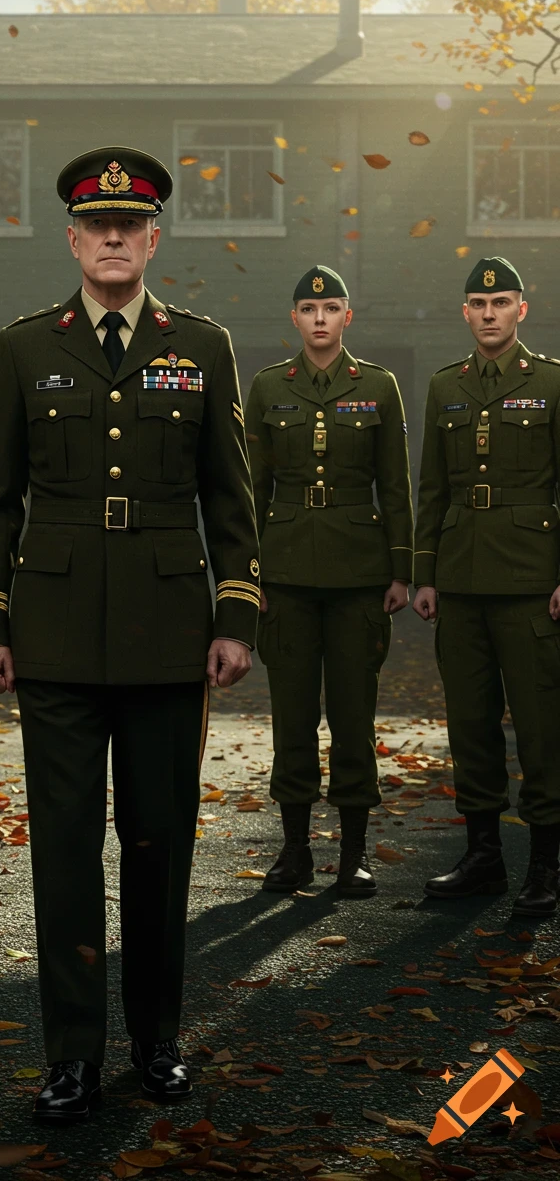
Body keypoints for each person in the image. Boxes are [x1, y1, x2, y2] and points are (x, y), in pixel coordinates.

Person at [0, 148, 260, 1123]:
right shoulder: (25, 347)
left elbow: (229, 497)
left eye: (129, 225)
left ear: (152, 240)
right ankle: (72, 1055)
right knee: (63, 852)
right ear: (73, 240)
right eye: (98, 226)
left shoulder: (202, 346)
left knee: (158, 846)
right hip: (52, 634)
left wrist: (234, 614)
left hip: (168, 633)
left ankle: (157, 1040)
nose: (113, 239)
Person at [245, 266, 413, 899]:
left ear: (347, 316)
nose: (320, 318)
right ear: (294, 318)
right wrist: (247, 575)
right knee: (291, 718)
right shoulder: (268, 386)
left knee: (353, 717)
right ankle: (293, 851)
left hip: (358, 574)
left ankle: (353, 854)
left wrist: (401, 568)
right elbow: (252, 489)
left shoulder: (378, 385)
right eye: (309, 309)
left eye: (332, 307)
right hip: (285, 570)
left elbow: (394, 483)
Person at [414, 256, 560, 918]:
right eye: (479, 303)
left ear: (521, 309)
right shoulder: (445, 385)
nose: (490, 313)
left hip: (531, 581)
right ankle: (483, 859)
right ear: (466, 312)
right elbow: (432, 489)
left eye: (501, 302)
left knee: (540, 727)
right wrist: (425, 574)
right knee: (470, 724)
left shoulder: (551, 383)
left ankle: (546, 866)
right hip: (461, 581)